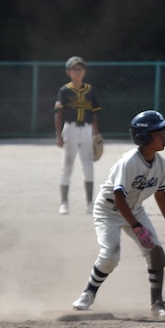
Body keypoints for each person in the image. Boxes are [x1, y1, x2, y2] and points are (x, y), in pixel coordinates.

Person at [71, 110, 165, 318]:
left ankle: (157, 303)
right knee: (110, 256)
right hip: (108, 211)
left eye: (164, 133)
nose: (164, 138)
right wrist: (136, 227)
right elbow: (119, 197)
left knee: (155, 252)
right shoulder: (129, 162)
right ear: (143, 137)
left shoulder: (159, 163)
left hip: (134, 210)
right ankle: (88, 294)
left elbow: (160, 193)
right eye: (159, 134)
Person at [54, 56, 102, 214]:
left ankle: (90, 203)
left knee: (88, 166)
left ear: (84, 71)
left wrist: (96, 134)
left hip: (87, 130)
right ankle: (64, 203)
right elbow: (58, 114)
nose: (78, 71)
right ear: (68, 72)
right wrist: (58, 135)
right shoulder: (64, 91)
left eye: (80, 68)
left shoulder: (90, 90)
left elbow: (94, 113)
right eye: (75, 68)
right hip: (71, 129)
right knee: (67, 165)